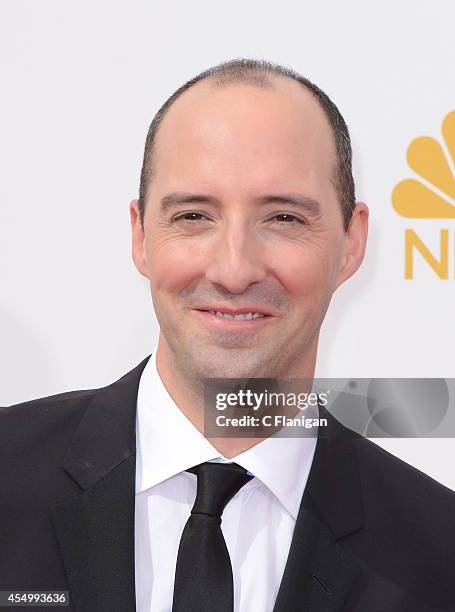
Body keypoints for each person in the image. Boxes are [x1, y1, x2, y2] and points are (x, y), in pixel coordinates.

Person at [1, 58, 454, 612]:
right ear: (141, 235)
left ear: (352, 242)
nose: (234, 270)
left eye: (284, 218)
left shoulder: (439, 552)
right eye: (193, 216)